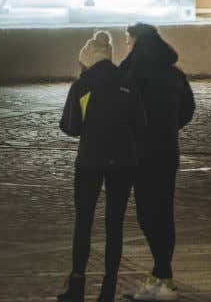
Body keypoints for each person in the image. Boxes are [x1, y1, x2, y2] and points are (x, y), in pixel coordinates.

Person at [57, 31, 145, 302]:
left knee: (83, 221)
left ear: (87, 60)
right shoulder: (127, 83)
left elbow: (71, 127)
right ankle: (108, 289)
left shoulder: (83, 85)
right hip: (123, 163)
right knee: (114, 225)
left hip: (90, 161)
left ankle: (77, 285)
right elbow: (140, 125)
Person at [120, 23, 195, 302]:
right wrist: (169, 127)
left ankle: (166, 278)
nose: (127, 46)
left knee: (147, 215)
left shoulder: (133, 74)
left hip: (141, 153)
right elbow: (188, 110)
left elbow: (123, 111)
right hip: (167, 152)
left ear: (137, 42)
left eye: (129, 41)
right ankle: (160, 275)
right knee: (162, 212)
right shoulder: (175, 74)